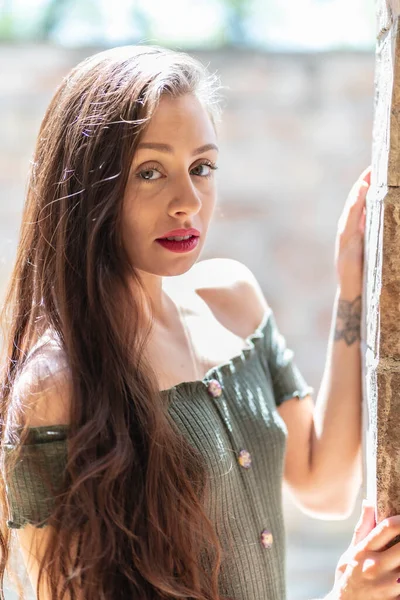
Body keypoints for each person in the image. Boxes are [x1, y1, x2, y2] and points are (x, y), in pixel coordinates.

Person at [0, 43, 389, 600]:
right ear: (87, 189)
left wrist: (353, 282)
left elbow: (324, 485)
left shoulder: (233, 300)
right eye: (150, 172)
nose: (188, 201)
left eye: (202, 167)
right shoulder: (56, 386)